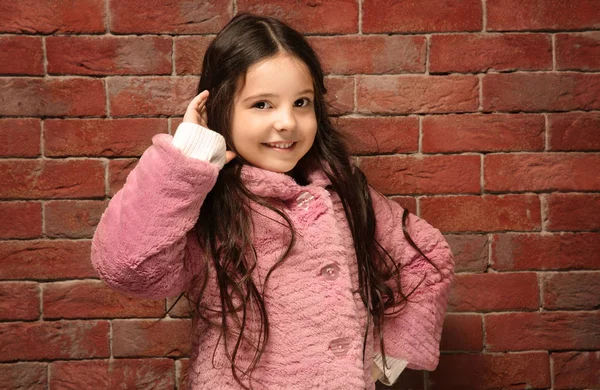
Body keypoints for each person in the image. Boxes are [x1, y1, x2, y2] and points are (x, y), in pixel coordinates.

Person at [91, 13, 454, 390]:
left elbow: (427, 258)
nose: (287, 122)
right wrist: (188, 159)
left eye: (301, 102)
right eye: (262, 105)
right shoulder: (205, 204)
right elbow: (127, 267)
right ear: (221, 108)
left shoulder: (341, 192)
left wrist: (385, 361)